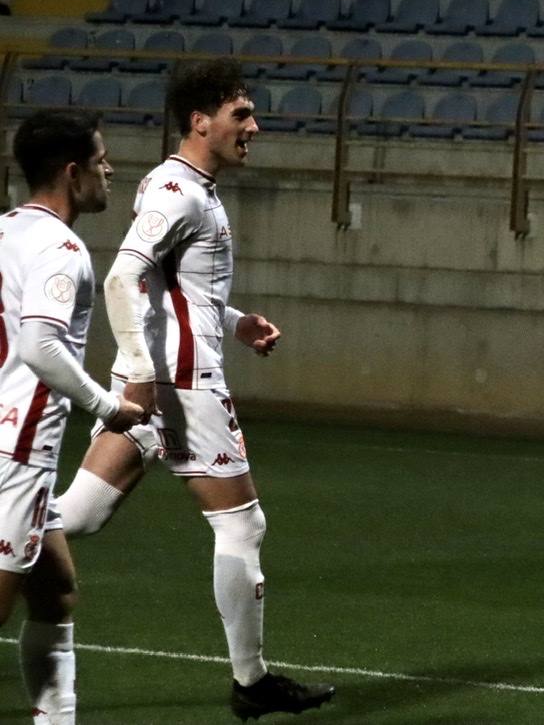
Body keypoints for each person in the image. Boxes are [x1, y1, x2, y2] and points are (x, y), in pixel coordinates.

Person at [54, 60, 337, 719]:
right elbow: (122, 279)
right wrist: (145, 370)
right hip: (179, 381)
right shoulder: (179, 192)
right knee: (242, 521)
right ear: (200, 121)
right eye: (242, 115)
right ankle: (251, 681)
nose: (254, 127)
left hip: (161, 373)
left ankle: (9, 530)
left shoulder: (182, 184)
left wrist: (235, 322)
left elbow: (175, 289)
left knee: (78, 515)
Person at [0, 109, 146, 723]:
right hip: (16, 454)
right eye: (99, 159)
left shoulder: (5, 230)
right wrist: (108, 405)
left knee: (56, 594)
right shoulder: (63, 248)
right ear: (70, 171)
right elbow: (39, 344)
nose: (108, 169)